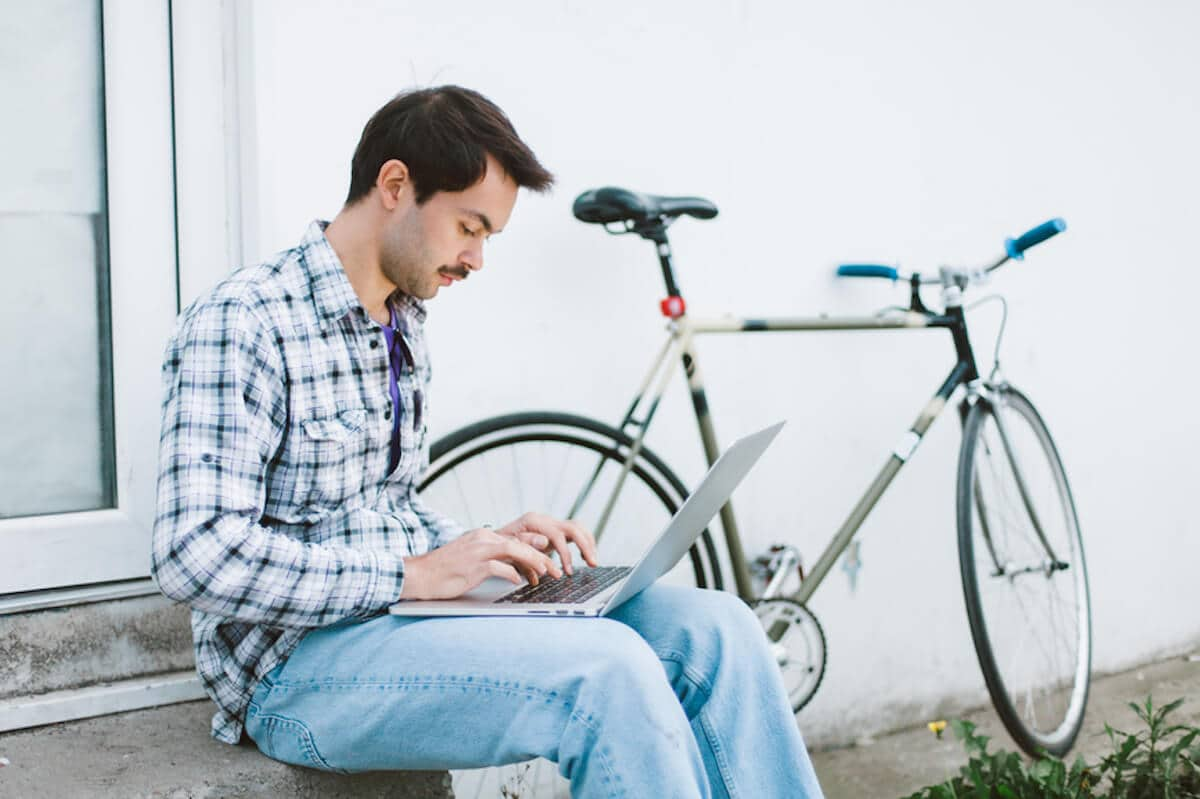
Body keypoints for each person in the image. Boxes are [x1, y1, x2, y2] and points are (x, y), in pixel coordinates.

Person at [152, 85, 824, 798]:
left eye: (487, 237)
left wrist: (486, 547)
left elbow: (382, 510)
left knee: (719, 630)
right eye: (468, 227)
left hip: (396, 624)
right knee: (607, 672)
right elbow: (193, 551)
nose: (476, 260)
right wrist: (416, 576)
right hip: (294, 671)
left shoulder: (401, 320)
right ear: (394, 184)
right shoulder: (245, 321)